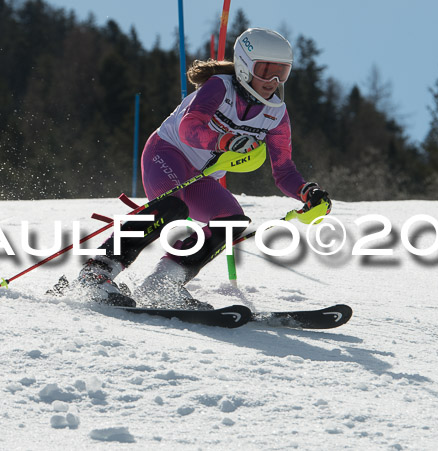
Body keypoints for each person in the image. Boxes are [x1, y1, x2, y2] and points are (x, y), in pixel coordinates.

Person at [69, 28, 331, 309]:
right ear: (244, 66)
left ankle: (162, 286)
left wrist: (307, 192)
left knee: (231, 222)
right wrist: (225, 140)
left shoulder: (276, 113)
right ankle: (97, 272)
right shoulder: (221, 87)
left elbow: (284, 170)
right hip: (167, 153)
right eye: (266, 70)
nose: (274, 81)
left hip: (202, 176)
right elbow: (188, 128)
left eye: (283, 72)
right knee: (172, 209)